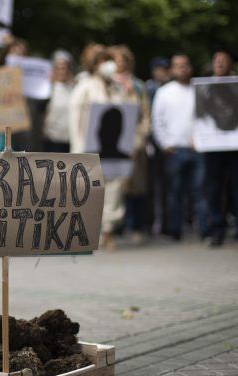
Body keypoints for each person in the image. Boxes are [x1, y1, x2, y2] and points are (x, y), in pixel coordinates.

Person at [68, 47, 149, 251]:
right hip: (89, 150)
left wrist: (131, 144)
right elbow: (75, 121)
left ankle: (108, 231)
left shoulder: (119, 89)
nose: (109, 65)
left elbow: (129, 117)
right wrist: (78, 150)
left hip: (114, 151)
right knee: (89, 192)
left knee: (114, 191)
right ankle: (87, 232)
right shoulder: (85, 87)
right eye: (104, 61)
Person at [202, 48, 238, 248]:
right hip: (212, 148)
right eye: (216, 59)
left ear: (231, 64)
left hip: (236, 148)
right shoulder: (204, 88)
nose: (220, 63)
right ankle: (216, 231)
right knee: (213, 191)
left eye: (224, 60)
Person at [152, 54, 207, 241]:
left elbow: (206, 119)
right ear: (172, 70)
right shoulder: (164, 92)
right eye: (178, 65)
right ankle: (175, 230)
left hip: (197, 149)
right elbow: (157, 121)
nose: (182, 68)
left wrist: (202, 139)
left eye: (185, 65)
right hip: (174, 150)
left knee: (200, 192)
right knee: (174, 193)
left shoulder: (199, 91)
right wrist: (164, 144)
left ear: (190, 68)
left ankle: (204, 230)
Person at [111, 45, 151, 245]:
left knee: (135, 186)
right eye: (116, 59)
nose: (120, 63)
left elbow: (145, 114)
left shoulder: (137, 85)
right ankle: (115, 227)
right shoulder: (105, 83)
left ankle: (136, 226)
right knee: (115, 186)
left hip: (133, 140)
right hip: (111, 141)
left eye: (123, 59)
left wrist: (140, 138)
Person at [43, 50, 75, 153]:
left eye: (65, 68)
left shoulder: (75, 89)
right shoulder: (46, 90)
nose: (62, 71)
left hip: (70, 141)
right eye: (59, 68)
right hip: (52, 140)